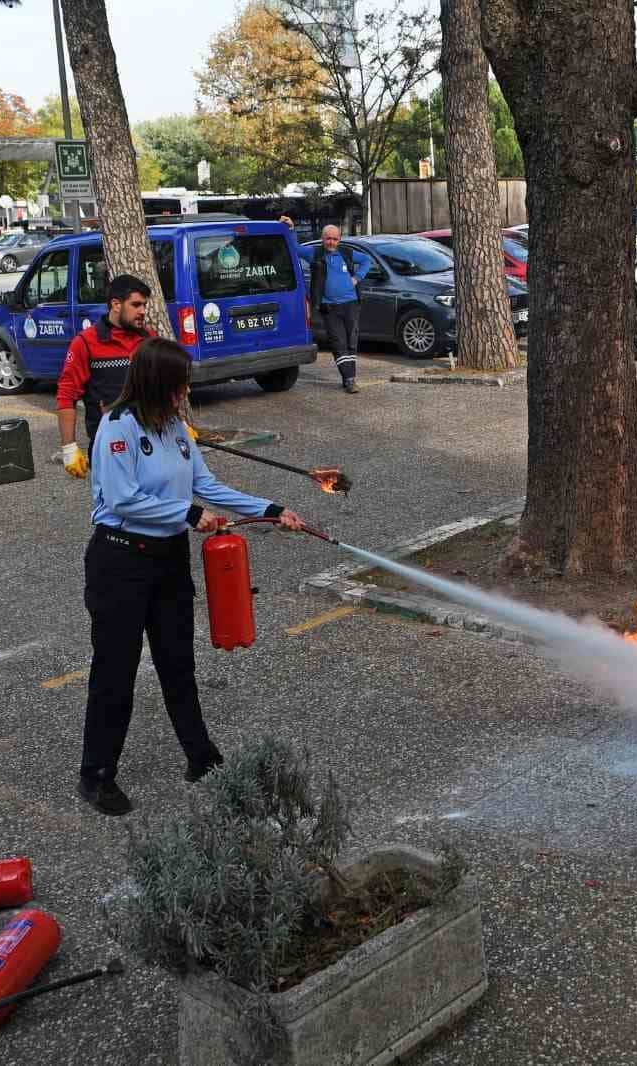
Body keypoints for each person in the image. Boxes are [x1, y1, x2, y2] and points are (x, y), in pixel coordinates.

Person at [78, 338, 305, 815]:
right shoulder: (117, 429)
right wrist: (187, 513)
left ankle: (201, 757)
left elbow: (207, 486)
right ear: (157, 382)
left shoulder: (177, 429)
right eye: (179, 382)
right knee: (115, 673)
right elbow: (122, 500)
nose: (185, 390)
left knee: (178, 663)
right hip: (120, 562)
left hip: (168, 561)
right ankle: (97, 775)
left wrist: (271, 509)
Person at [55, 274, 156, 478]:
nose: (143, 311)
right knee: (116, 507)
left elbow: (164, 387)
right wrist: (69, 447)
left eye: (144, 305)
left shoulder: (150, 338)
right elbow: (67, 395)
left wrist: (179, 425)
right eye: (136, 305)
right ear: (116, 304)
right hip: (109, 446)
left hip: (151, 441)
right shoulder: (85, 342)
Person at [308, 225, 369, 394]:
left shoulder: (346, 253)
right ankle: (350, 380)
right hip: (329, 307)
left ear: (339, 239)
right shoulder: (315, 253)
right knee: (338, 343)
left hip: (351, 304)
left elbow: (366, 261)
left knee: (351, 342)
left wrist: (357, 277)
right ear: (322, 238)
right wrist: (289, 228)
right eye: (328, 238)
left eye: (335, 239)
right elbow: (295, 248)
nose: (331, 242)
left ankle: (348, 377)